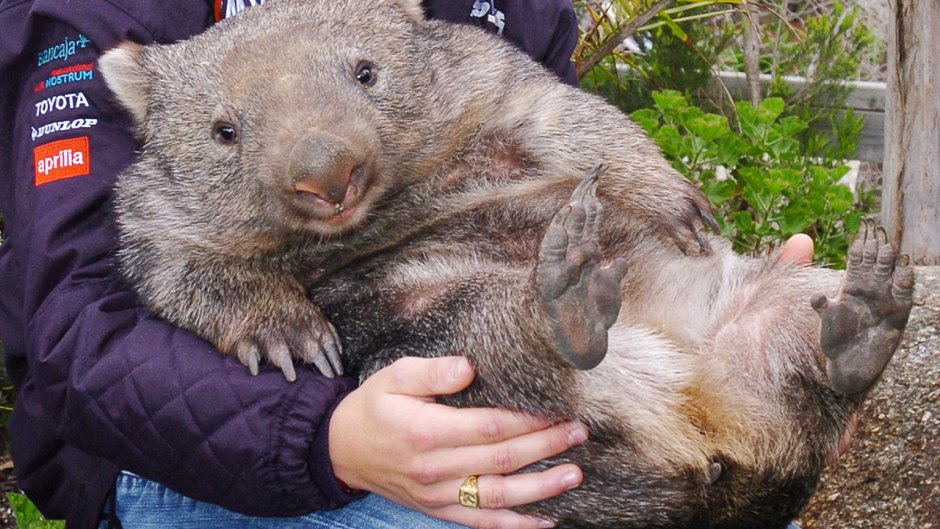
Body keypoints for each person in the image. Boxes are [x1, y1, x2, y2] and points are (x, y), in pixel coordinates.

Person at [0, 1, 586, 529]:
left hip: (454, 349)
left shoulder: (509, 11)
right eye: (226, 132)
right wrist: (327, 441)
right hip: (184, 446)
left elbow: (562, 156)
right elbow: (79, 330)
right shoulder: (95, 17)